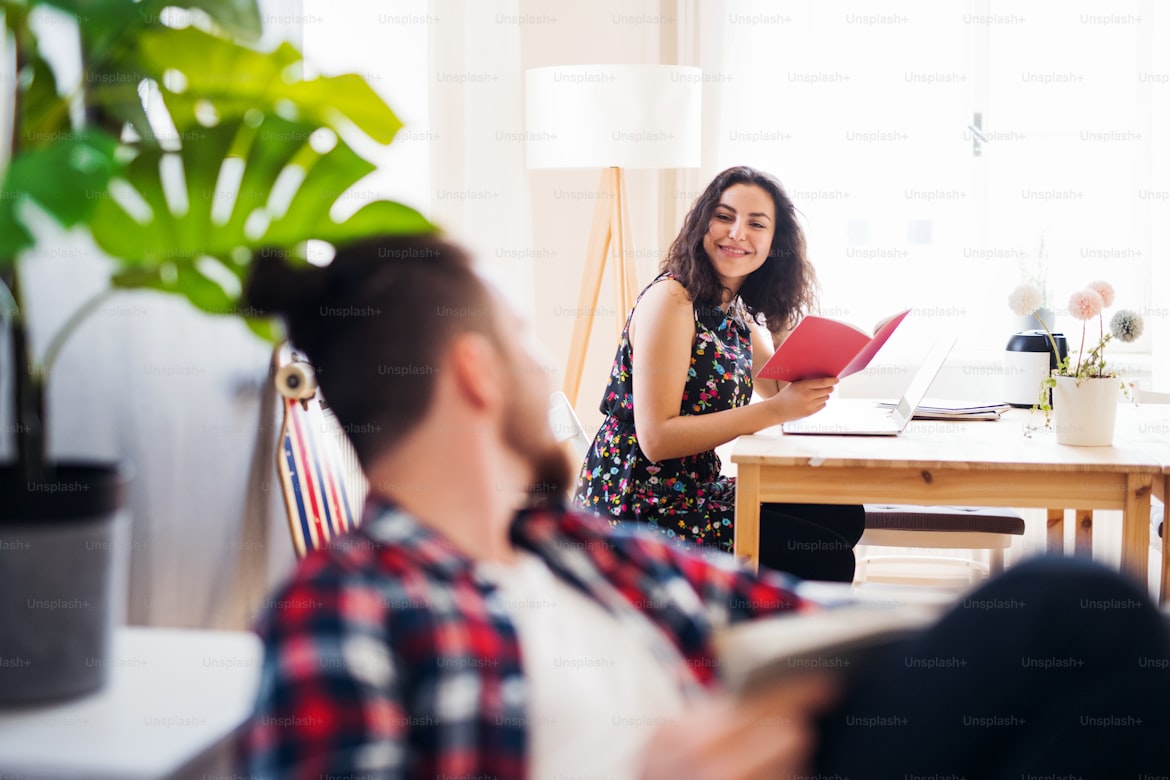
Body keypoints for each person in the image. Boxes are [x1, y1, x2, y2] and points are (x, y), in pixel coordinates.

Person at [241, 232, 1170, 779]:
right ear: (476, 373)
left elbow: (818, 619)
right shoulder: (350, 606)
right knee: (1074, 605)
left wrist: (807, 689)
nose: (541, 367)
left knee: (1089, 636)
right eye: (520, 340)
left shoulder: (583, 553)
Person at [573, 166, 864, 582]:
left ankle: (774, 625)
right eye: (724, 216)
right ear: (703, 222)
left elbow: (778, 383)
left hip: (696, 490)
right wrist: (779, 410)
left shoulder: (732, 308)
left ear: (774, 243)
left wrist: (783, 313)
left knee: (842, 514)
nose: (737, 233)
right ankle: (779, 642)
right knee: (828, 558)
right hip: (642, 506)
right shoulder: (673, 300)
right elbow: (657, 439)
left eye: (756, 224)